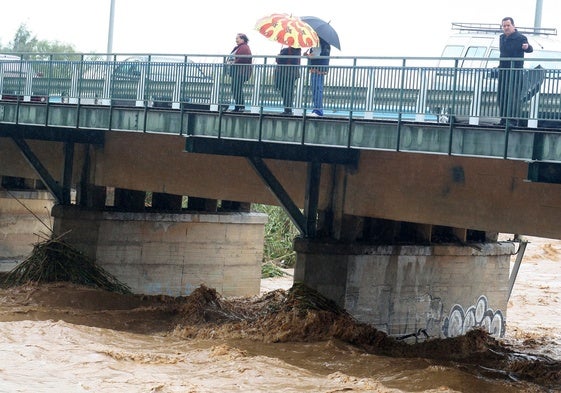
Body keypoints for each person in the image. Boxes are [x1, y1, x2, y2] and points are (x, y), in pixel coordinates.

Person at [497, 17, 533, 127]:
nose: (506, 28)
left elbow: (529, 48)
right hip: (504, 71)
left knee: (513, 96)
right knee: (502, 95)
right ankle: (503, 119)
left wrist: (527, 47)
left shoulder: (520, 37)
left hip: (515, 72)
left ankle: (512, 120)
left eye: (508, 25)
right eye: (504, 26)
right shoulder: (502, 37)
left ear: (513, 26)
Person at [226, 33, 253, 112]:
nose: (236, 40)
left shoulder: (244, 48)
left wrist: (234, 63)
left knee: (236, 88)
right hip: (238, 71)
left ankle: (240, 106)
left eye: (238, 38)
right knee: (236, 88)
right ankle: (239, 106)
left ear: (243, 39)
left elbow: (243, 58)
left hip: (241, 72)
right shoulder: (240, 47)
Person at [304, 38, 331, 117]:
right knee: (319, 89)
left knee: (316, 89)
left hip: (316, 69)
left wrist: (307, 55)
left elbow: (314, 55)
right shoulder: (326, 43)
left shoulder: (318, 43)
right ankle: (318, 109)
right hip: (322, 69)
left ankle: (317, 110)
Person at [274, 46, 301, 115]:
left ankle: (287, 109)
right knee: (290, 91)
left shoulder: (286, 50)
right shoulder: (298, 51)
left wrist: (278, 56)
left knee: (285, 91)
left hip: (285, 73)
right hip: (293, 73)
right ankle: (288, 109)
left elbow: (279, 60)